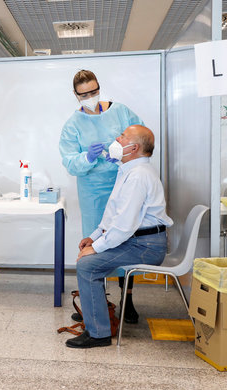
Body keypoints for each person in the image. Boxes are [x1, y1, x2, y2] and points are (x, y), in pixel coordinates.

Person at [65, 125, 173, 349]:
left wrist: (96, 248)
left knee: (87, 265)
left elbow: (124, 226)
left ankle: (98, 334)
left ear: (133, 147)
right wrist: (94, 237)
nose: (117, 138)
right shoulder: (129, 170)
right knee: (88, 260)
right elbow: (113, 213)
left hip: (146, 245)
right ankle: (97, 318)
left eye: (123, 136)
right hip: (140, 240)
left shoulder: (138, 176)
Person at [59, 70, 145, 321]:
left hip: (125, 185)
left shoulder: (121, 113)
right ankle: (99, 304)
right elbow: (70, 163)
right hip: (93, 192)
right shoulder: (72, 125)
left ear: (99, 88)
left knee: (125, 241)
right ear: (75, 95)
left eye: (94, 92)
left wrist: (121, 154)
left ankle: (127, 301)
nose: (90, 97)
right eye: (84, 94)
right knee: (97, 246)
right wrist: (87, 156)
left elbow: (141, 140)